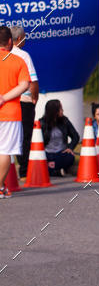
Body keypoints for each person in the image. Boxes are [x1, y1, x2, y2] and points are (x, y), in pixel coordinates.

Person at [0, 25, 31, 197]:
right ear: (10, 41)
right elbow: (25, 84)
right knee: (4, 151)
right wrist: (4, 98)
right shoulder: (17, 61)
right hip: (9, 113)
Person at [10, 25, 39, 178]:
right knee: (25, 135)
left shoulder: (5, 55)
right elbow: (33, 81)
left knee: (9, 136)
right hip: (24, 100)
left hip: (7, 101)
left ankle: (9, 174)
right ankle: (24, 172)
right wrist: (35, 98)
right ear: (20, 38)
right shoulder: (23, 56)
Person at [40, 99, 80, 176]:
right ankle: (57, 171)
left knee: (70, 157)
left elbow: (75, 136)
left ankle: (51, 168)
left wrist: (70, 148)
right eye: (60, 109)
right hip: (47, 153)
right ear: (54, 111)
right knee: (38, 160)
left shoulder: (65, 121)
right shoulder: (42, 123)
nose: (62, 111)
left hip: (61, 153)